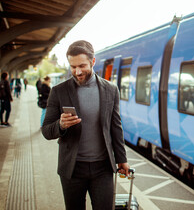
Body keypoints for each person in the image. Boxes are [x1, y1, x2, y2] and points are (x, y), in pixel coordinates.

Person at [41, 40, 130, 210]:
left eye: (82, 65)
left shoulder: (111, 90)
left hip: (102, 168)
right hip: (72, 169)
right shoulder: (59, 91)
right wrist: (60, 125)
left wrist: (122, 159)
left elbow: (115, 127)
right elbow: (46, 131)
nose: (77, 72)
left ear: (93, 61)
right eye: (73, 67)